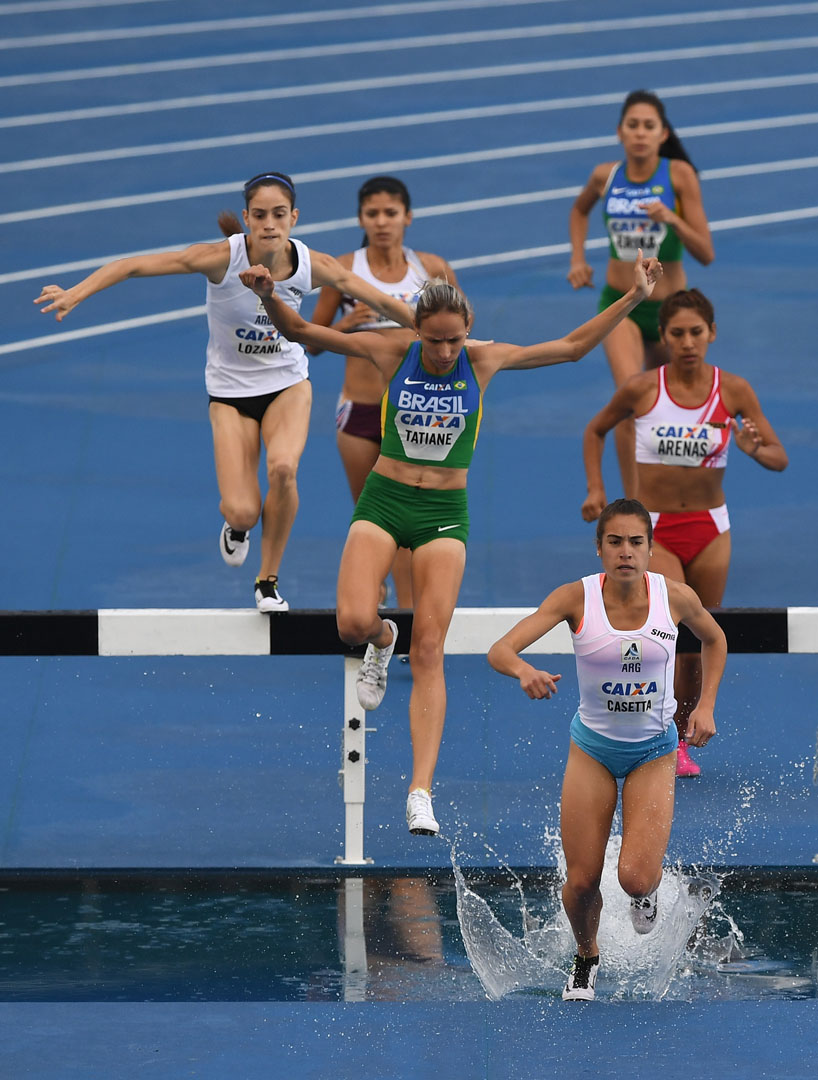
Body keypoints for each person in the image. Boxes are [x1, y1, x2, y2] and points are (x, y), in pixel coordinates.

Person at [240, 250, 663, 836]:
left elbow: (570, 348)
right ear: (416, 330)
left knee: (432, 647)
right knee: (352, 623)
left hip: (443, 513)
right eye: (435, 342)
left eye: (454, 342)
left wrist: (635, 297)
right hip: (385, 502)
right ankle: (384, 637)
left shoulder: (482, 362)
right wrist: (267, 296)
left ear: (468, 332)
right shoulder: (391, 350)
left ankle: (420, 790)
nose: (444, 354)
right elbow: (303, 330)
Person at [34, 171, 415, 612]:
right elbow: (134, 265)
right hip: (230, 393)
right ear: (248, 218)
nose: (269, 224)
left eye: (278, 214)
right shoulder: (220, 259)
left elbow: (386, 303)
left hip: (287, 384)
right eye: (259, 215)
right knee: (241, 511)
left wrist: (442, 335)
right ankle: (236, 528)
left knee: (284, 469)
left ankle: (268, 581)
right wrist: (75, 293)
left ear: (294, 217)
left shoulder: (313, 265)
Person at [487, 499, 727, 1002]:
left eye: (635, 542)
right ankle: (586, 956)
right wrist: (524, 671)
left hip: (653, 753)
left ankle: (650, 894)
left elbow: (715, 639)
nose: (625, 552)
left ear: (650, 548)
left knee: (636, 878)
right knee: (580, 884)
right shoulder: (575, 599)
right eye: (614, 542)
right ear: (599, 549)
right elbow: (500, 650)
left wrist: (703, 707)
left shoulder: (675, 597)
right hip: (592, 752)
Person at [581, 289, 787, 777]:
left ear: (712, 334)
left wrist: (755, 450)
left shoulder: (733, 390)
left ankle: (680, 734)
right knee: (668, 635)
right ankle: (654, 736)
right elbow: (595, 430)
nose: (688, 341)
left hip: (711, 527)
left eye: (697, 332)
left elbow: (779, 457)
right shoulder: (643, 389)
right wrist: (597, 489)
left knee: (697, 637)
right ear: (663, 336)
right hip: (658, 530)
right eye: (678, 333)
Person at [309, 176, 459, 608]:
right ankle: (374, 606)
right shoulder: (341, 268)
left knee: (410, 526)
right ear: (360, 218)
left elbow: (462, 331)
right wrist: (346, 325)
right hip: (358, 412)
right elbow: (313, 341)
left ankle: (409, 620)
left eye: (390, 213)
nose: (381, 222)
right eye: (372, 214)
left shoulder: (430, 268)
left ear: (407, 217)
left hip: (414, 416)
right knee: (373, 523)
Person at [568, 90, 714, 498]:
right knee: (631, 400)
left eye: (649, 126)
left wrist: (672, 219)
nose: (640, 133)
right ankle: (638, 508)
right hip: (623, 304)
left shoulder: (679, 176)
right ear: (620, 132)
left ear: (662, 134)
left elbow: (706, 252)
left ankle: (681, 493)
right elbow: (579, 210)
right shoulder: (605, 176)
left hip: (673, 314)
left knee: (680, 404)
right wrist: (578, 258)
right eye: (632, 125)